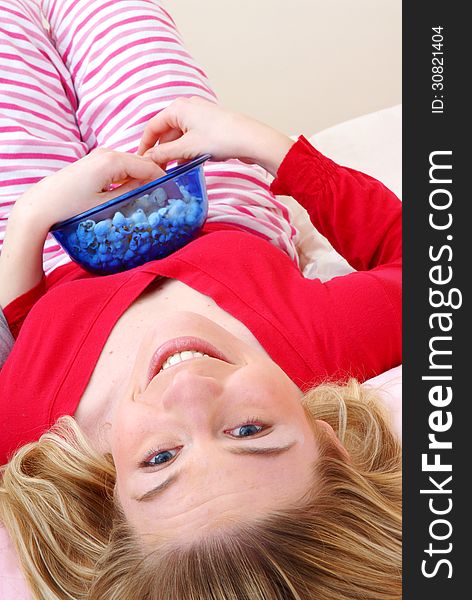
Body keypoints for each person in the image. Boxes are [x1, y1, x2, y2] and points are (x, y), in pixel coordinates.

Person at [0, 1, 402, 599]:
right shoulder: (328, 344)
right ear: (327, 442)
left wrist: (32, 220)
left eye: (160, 460)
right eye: (248, 430)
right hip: (203, 181)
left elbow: (30, 333)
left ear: (110, 497)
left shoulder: (37, 433)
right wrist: (267, 147)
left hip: (43, 237)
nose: (188, 390)